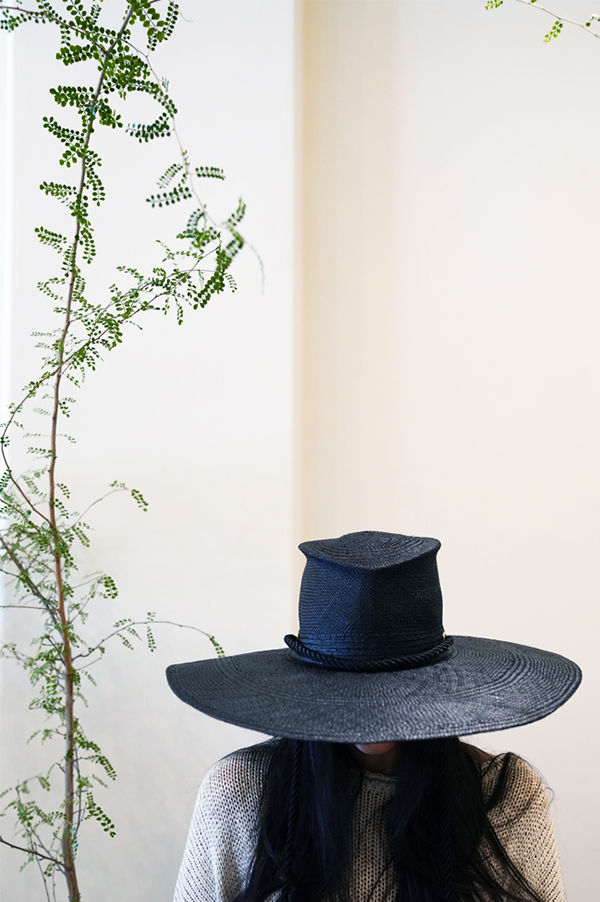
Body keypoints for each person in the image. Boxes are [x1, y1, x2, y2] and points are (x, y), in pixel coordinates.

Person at [166, 531, 581, 902]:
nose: (371, 712)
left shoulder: (503, 795)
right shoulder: (242, 792)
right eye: (352, 688)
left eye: (389, 686)